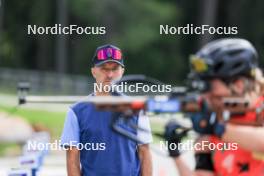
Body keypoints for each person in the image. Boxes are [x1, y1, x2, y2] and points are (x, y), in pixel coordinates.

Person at [165, 38, 264, 176]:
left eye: (209, 86)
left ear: (238, 84)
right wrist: (175, 154)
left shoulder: (217, 123)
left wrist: (218, 127)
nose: (205, 95)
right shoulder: (216, 117)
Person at [60, 44, 153, 176]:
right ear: (93, 71)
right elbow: (72, 157)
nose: (109, 75)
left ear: (122, 72)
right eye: (104, 69)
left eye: (114, 69)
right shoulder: (76, 112)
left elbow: (144, 151)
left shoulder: (137, 109)